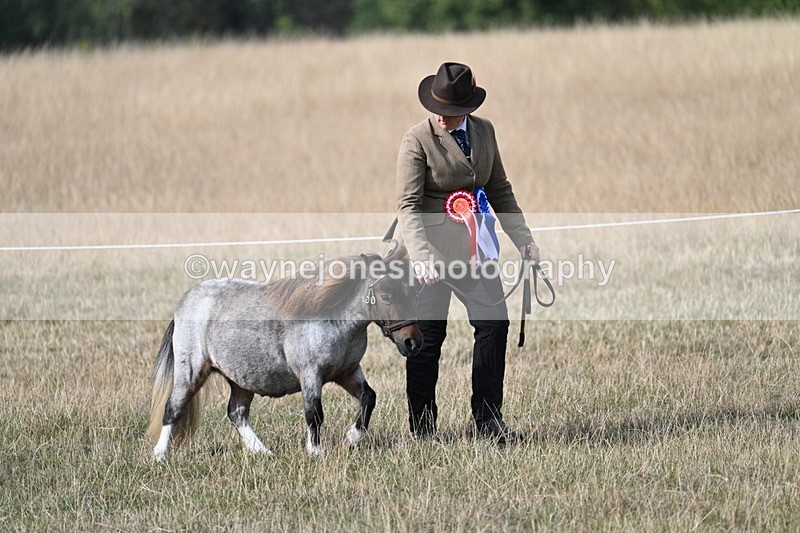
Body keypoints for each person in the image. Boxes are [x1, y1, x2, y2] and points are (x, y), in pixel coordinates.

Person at [389, 61, 541, 443]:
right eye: (437, 109)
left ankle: (488, 420)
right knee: (428, 339)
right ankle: (423, 430)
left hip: (476, 252)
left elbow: (500, 188)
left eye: (450, 111)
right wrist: (421, 258)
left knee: (494, 325)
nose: (441, 117)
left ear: (468, 108)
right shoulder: (416, 139)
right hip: (431, 255)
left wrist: (523, 239)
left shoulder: (485, 131)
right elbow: (408, 206)